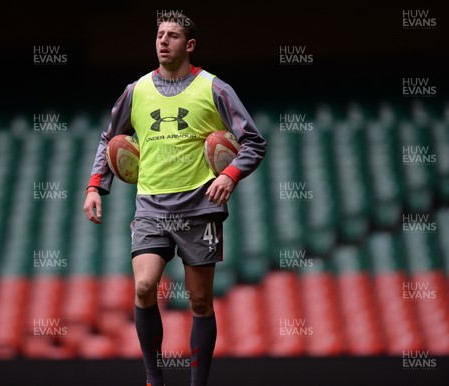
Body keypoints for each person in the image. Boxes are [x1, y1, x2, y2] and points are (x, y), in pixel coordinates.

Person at [83, 12, 266, 386]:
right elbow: (108, 138)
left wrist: (230, 175)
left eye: (173, 36)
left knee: (199, 302)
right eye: (159, 35)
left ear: (190, 45)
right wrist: (94, 187)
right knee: (144, 287)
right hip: (151, 207)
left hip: (200, 208)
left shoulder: (215, 88)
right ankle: (154, 379)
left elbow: (254, 142)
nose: (163, 41)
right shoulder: (136, 90)